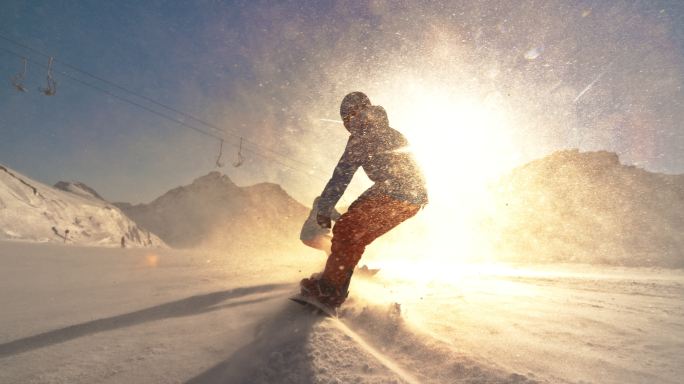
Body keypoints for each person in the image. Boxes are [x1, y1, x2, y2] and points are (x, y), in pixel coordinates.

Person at [300, 91, 428, 308]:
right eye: (346, 120)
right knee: (352, 229)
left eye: (350, 116)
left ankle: (330, 290)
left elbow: (341, 176)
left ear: (361, 111)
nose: (350, 123)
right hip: (409, 196)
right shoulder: (382, 130)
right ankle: (335, 282)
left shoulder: (364, 134)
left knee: (348, 230)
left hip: (396, 191)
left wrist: (324, 210)